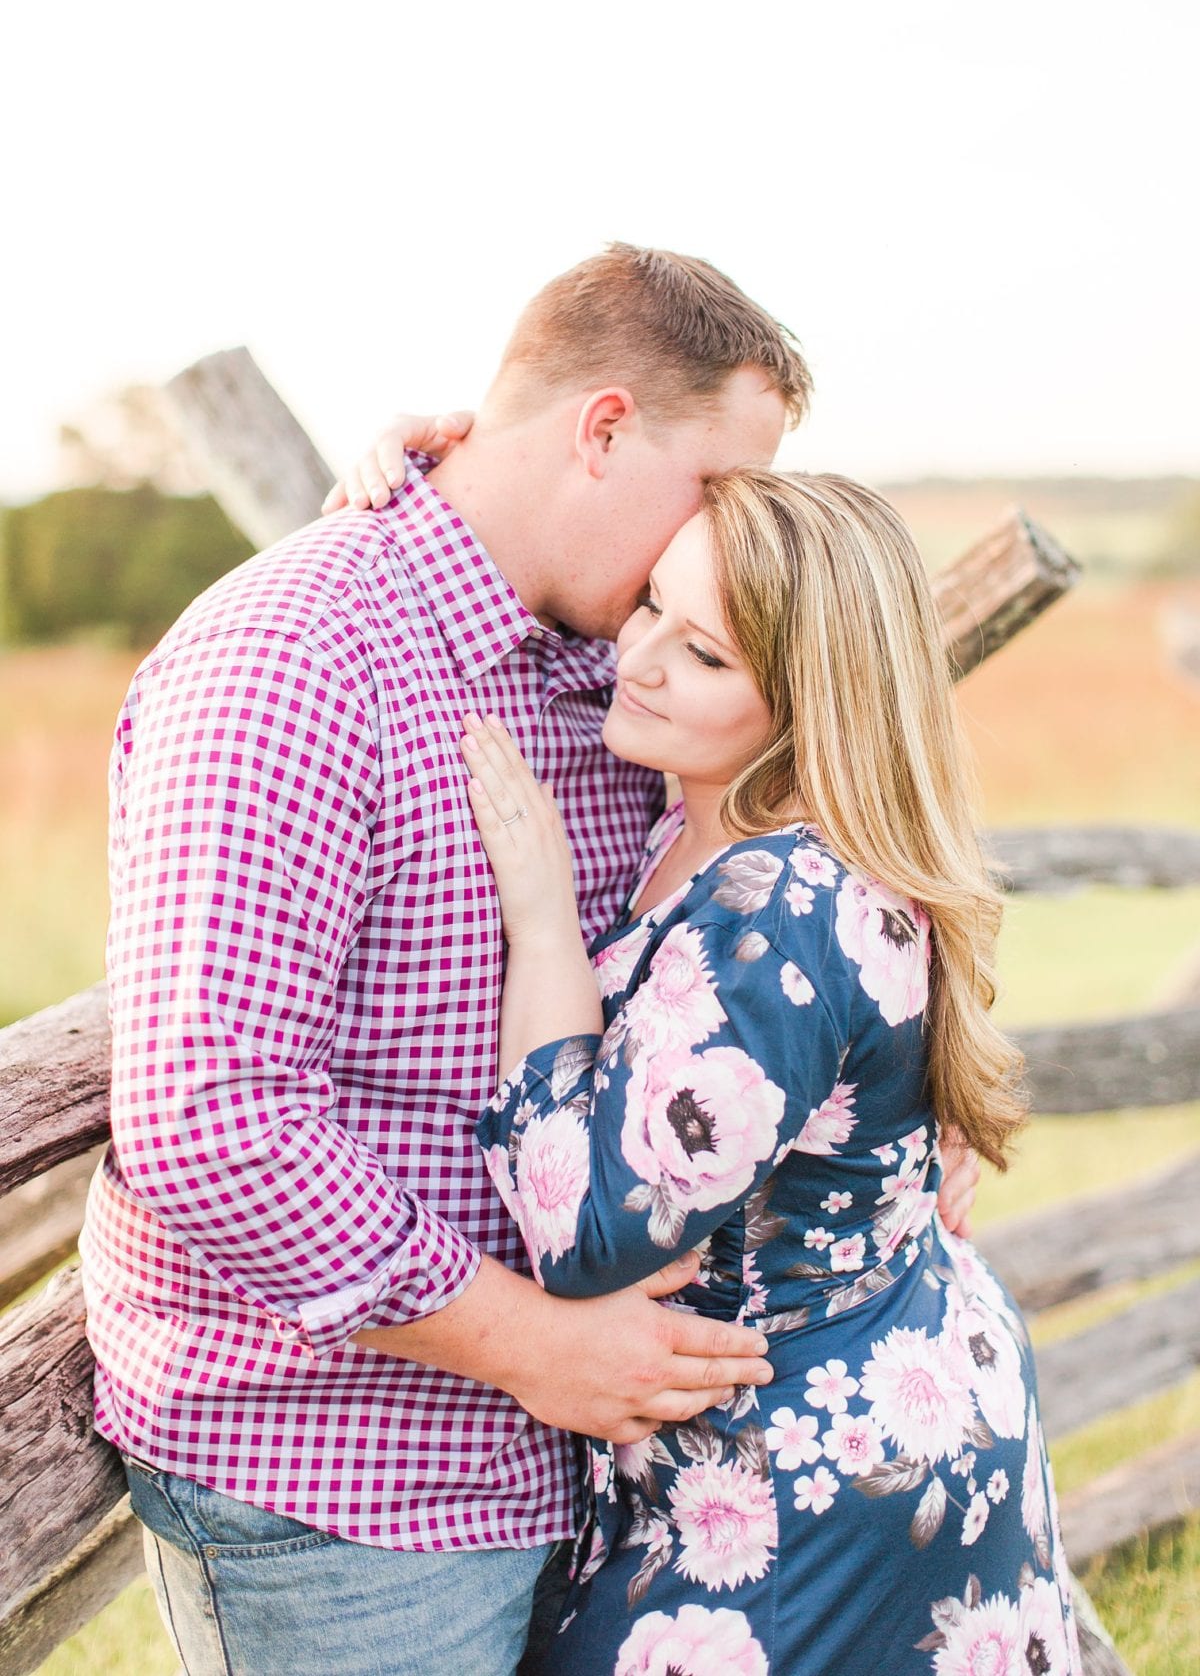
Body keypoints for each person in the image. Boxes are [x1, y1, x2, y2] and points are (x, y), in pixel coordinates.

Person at [80, 244, 977, 1676]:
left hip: (588, 1456)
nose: (729, 539)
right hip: (353, 1483)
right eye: (715, 489)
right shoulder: (290, 660)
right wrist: (526, 1346)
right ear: (606, 430)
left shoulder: (606, 655)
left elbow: (804, 860)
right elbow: (212, 1121)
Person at [454, 470, 1080, 1674]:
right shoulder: (707, 805)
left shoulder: (783, 907)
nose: (634, 659)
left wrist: (539, 925)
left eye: (702, 656)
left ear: (806, 705)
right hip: (860, 1403)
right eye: (648, 607)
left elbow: (586, 1231)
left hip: (807, 1483)